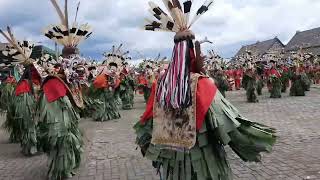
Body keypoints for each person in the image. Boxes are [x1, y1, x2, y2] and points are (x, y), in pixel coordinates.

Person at [134, 1, 276, 179]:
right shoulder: (202, 84)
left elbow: (147, 120)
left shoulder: (160, 83)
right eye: (199, 52)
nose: (203, 56)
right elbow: (229, 125)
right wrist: (254, 140)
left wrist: (147, 144)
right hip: (202, 159)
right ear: (192, 51)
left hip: (170, 158)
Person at [38, 1, 89, 178]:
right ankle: (61, 171)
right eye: (75, 63)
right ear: (66, 62)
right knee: (63, 140)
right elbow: (57, 129)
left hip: (67, 123)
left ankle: (67, 165)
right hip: (60, 126)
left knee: (69, 139)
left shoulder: (69, 80)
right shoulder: (54, 83)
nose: (80, 68)